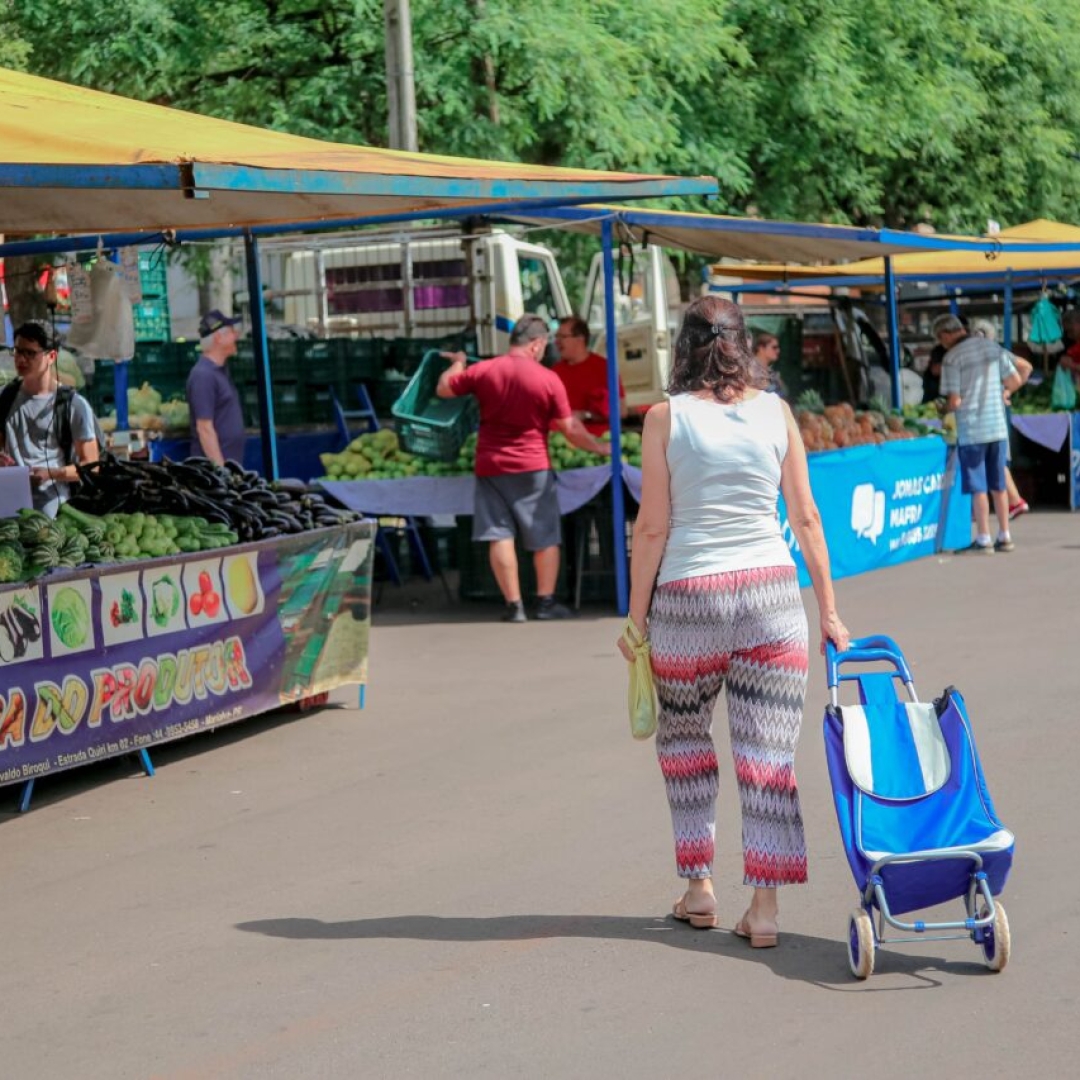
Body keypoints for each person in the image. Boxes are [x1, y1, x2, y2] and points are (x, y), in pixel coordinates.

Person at [617, 296, 850, 946]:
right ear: (744, 344)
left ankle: (699, 889)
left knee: (686, 746)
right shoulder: (777, 411)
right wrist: (828, 609)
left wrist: (637, 618)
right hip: (772, 598)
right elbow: (805, 516)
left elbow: (654, 525)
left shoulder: (665, 418)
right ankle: (765, 910)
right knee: (768, 756)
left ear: (682, 346)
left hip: (690, 597)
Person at [437, 314, 611, 622]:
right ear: (536, 344)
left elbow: (445, 389)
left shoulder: (485, 370)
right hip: (533, 467)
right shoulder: (547, 379)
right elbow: (569, 427)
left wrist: (459, 363)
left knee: (499, 534)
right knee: (544, 536)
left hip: (490, 465)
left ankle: (514, 606)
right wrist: (598, 447)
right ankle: (545, 603)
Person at [934, 314, 1024, 553]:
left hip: (972, 428)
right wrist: (1003, 393)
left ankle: (984, 537)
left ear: (946, 334)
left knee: (978, 486)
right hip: (997, 427)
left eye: (940, 339)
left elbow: (954, 400)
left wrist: (944, 408)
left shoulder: (952, 357)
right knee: (998, 484)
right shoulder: (992, 347)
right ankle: (1005, 535)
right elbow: (1015, 379)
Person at [0, 321, 100, 517]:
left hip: (55, 511)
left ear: (51, 356)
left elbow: (91, 467)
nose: (21, 359)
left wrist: (51, 473)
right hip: (9, 504)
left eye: (30, 353)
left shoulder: (73, 405)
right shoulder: (6, 397)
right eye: (18, 351)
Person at [970, 318, 1034, 520]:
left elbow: (1026, 367)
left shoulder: (995, 354)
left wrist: (1006, 391)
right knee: (995, 460)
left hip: (987, 414)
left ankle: (1012, 504)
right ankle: (1015, 502)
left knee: (991, 460)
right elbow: (1025, 369)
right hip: (991, 413)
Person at [186, 309, 245, 466]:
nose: (236, 336)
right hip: (213, 476)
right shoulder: (203, 376)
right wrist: (220, 470)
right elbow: (205, 428)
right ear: (219, 337)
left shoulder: (219, 371)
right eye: (232, 332)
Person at [551, 316, 627, 434]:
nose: (557, 341)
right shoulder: (555, 372)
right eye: (557, 337)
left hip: (598, 440)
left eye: (563, 337)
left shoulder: (604, 368)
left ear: (580, 339)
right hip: (562, 442)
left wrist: (586, 415)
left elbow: (621, 411)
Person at [752, 330, 786, 397]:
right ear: (761, 348)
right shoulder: (750, 370)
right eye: (774, 347)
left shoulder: (770, 371)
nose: (778, 350)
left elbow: (784, 392)